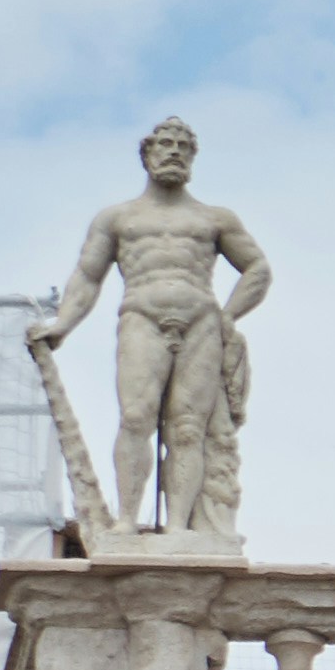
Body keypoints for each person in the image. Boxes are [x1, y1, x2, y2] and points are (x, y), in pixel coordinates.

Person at [34, 117, 270, 539]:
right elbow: (88, 276)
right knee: (137, 417)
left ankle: (179, 525)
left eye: (183, 146)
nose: (175, 152)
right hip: (142, 315)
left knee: (187, 427)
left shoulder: (214, 219)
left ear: (193, 158)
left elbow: (257, 268)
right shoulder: (118, 219)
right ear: (147, 155)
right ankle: (127, 519)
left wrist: (227, 317)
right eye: (165, 145)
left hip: (200, 320)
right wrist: (63, 324)